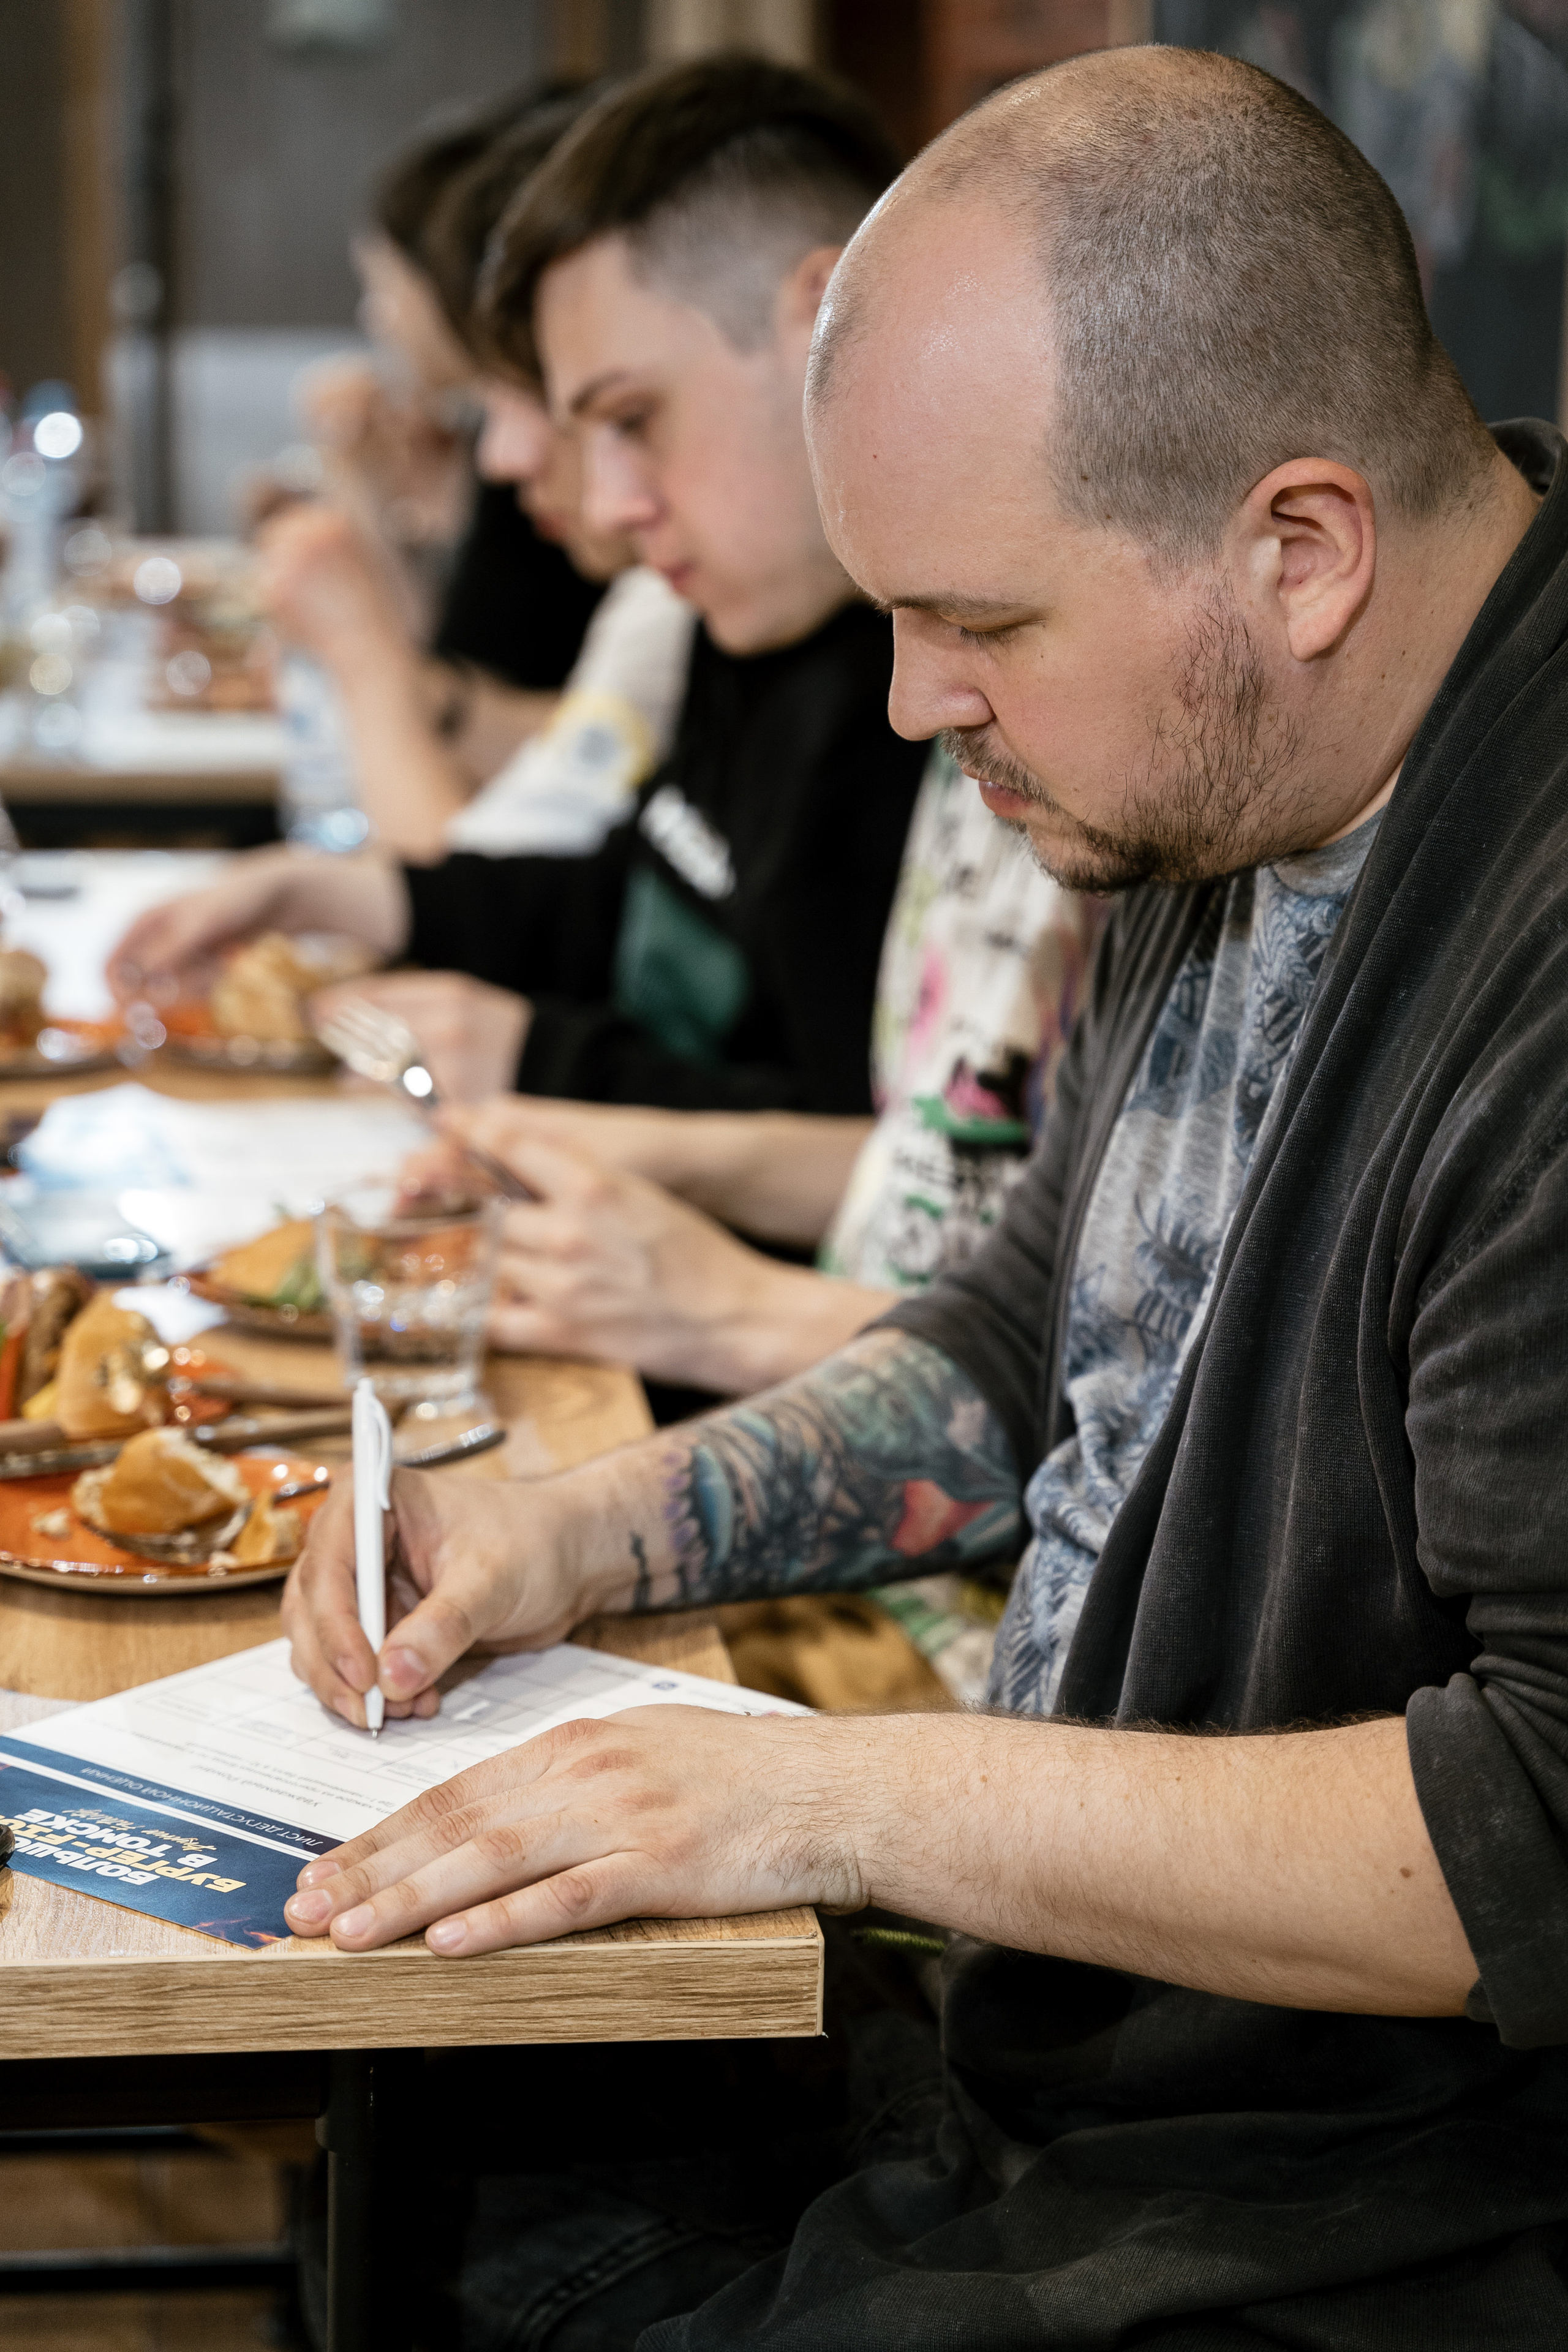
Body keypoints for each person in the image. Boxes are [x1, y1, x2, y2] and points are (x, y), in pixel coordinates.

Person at [277, 42, 1568, 2349]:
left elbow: (1527, 1826)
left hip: (1352, 2206)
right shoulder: (1232, 758)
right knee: (427, 2182)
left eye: (973, 622)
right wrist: (585, 1530)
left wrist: (840, 1805)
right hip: (1064, 2063)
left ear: (1295, 547)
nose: (902, 706)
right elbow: (1010, 1337)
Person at [114, 59, 927, 1123]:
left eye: (632, 419)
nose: (614, 500)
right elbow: (634, 900)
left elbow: (880, 1165)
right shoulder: (753, 625)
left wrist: (540, 1057)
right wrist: (343, 892)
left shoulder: (909, 693)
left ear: (822, 325)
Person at [258, 97, 696, 861]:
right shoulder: (652, 609)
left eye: (389, 285)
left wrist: (369, 659)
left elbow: (464, 878)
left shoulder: (666, 590)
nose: (506, 455)